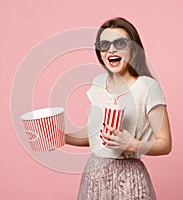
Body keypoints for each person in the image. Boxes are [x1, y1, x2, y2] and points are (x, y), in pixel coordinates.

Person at [65, 17, 172, 200]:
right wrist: (61, 137)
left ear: (134, 48)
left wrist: (132, 144)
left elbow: (165, 144)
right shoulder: (98, 84)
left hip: (130, 179)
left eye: (120, 43)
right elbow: (91, 135)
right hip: (94, 177)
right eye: (104, 45)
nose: (111, 49)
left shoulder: (147, 87)